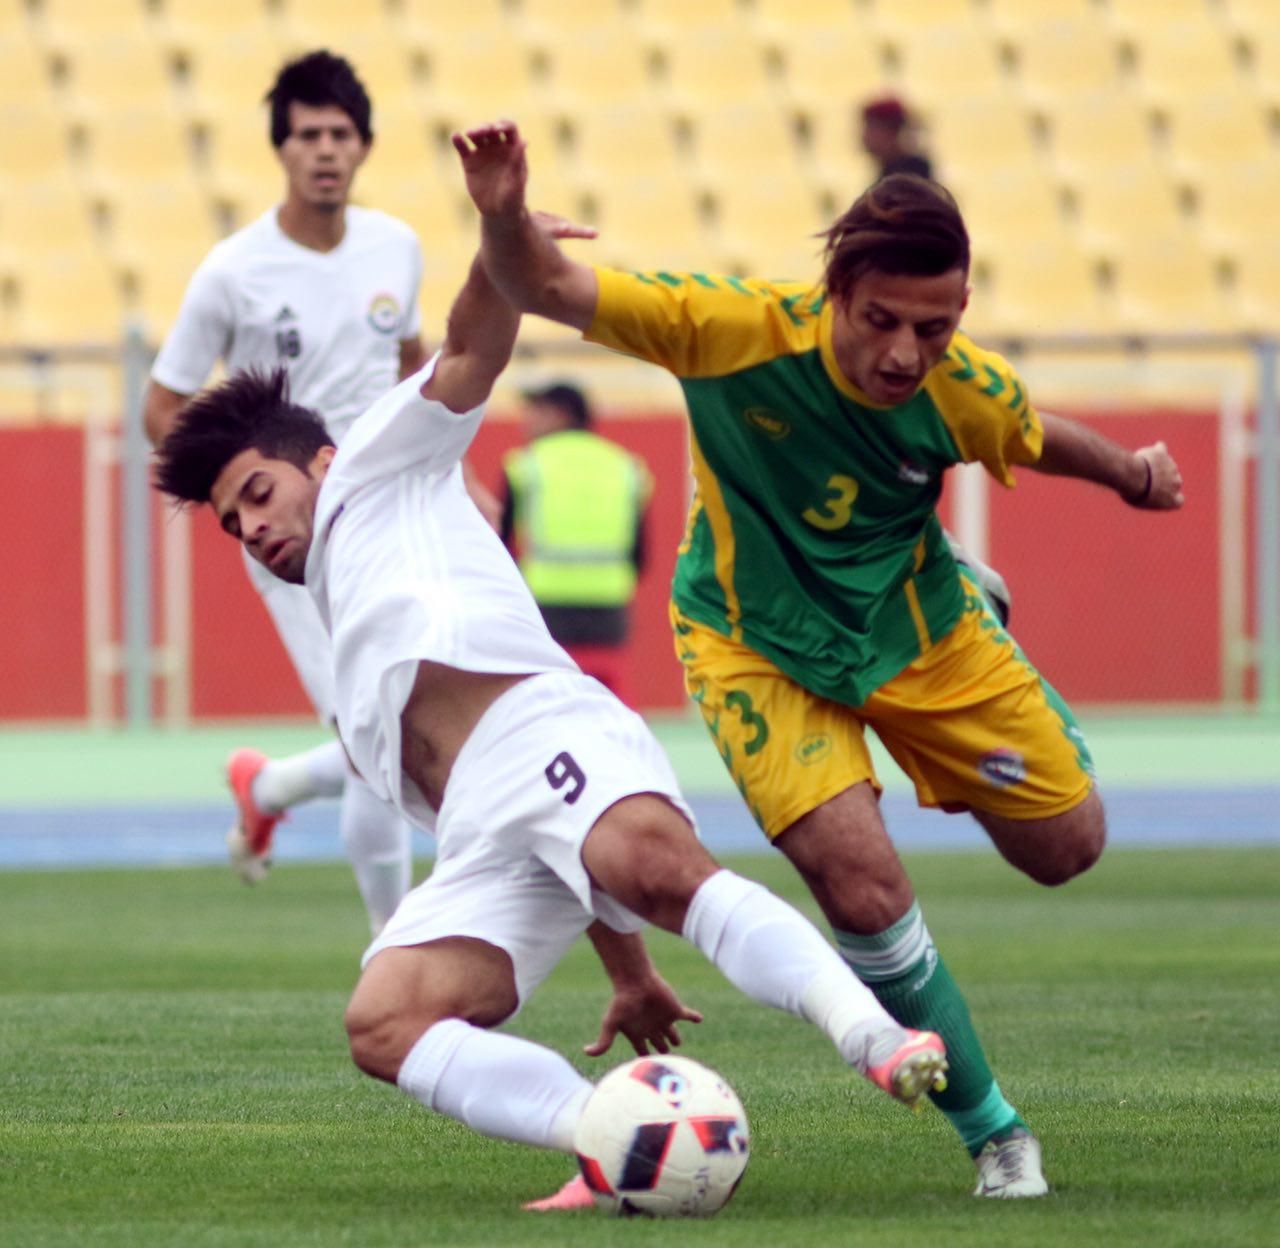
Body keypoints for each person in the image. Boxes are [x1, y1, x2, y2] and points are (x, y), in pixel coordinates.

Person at [452, 119, 1185, 1200]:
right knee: (858, 888)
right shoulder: (728, 328)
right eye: (878, 320)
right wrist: (504, 214)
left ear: (961, 313)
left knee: (1064, 850)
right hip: (754, 643)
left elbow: (1032, 436)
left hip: (917, 629)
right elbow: (542, 282)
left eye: (929, 329)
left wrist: (1132, 474)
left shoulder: (959, 386)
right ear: (832, 290)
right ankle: (992, 1132)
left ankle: (969, 604)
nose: (901, 353)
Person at [149, 227, 953, 1206]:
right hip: (482, 833)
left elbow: (472, 344)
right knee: (383, 1023)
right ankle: (608, 1137)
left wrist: (499, 233)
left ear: (317, 460)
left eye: (258, 495)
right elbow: (539, 843)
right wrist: (625, 970)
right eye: (234, 523)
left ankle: (873, 1034)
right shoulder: (345, 639)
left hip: (543, 730)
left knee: (656, 870)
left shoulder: (375, 462)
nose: (253, 529)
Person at [142, 50, 495, 933]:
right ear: (283, 150)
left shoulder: (397, 247)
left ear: (365, 146)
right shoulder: (234, 270)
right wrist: (240, 499)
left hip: (386, 507)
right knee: (376, 728)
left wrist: (460, 473)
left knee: (402, 713)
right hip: (298, 534)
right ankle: (398, 946)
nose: (325, 151)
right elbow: (161, 404)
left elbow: (414, 365)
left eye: (340, 134)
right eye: (308, 136)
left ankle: (266, 787)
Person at [499, 381, 652, 704]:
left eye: (536, 411)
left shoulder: (526, 465)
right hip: (608, 604)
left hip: (545, 604)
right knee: (609, 701)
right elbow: (640, 552)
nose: (526, 420)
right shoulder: (626, 466)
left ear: (561, 415)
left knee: (547, 701)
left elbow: (502, 545)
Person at [861, 94, 933, 182]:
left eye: (871, 128)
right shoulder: (890, 169)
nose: (865, 137)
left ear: (891, 132)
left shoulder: (908, 173)